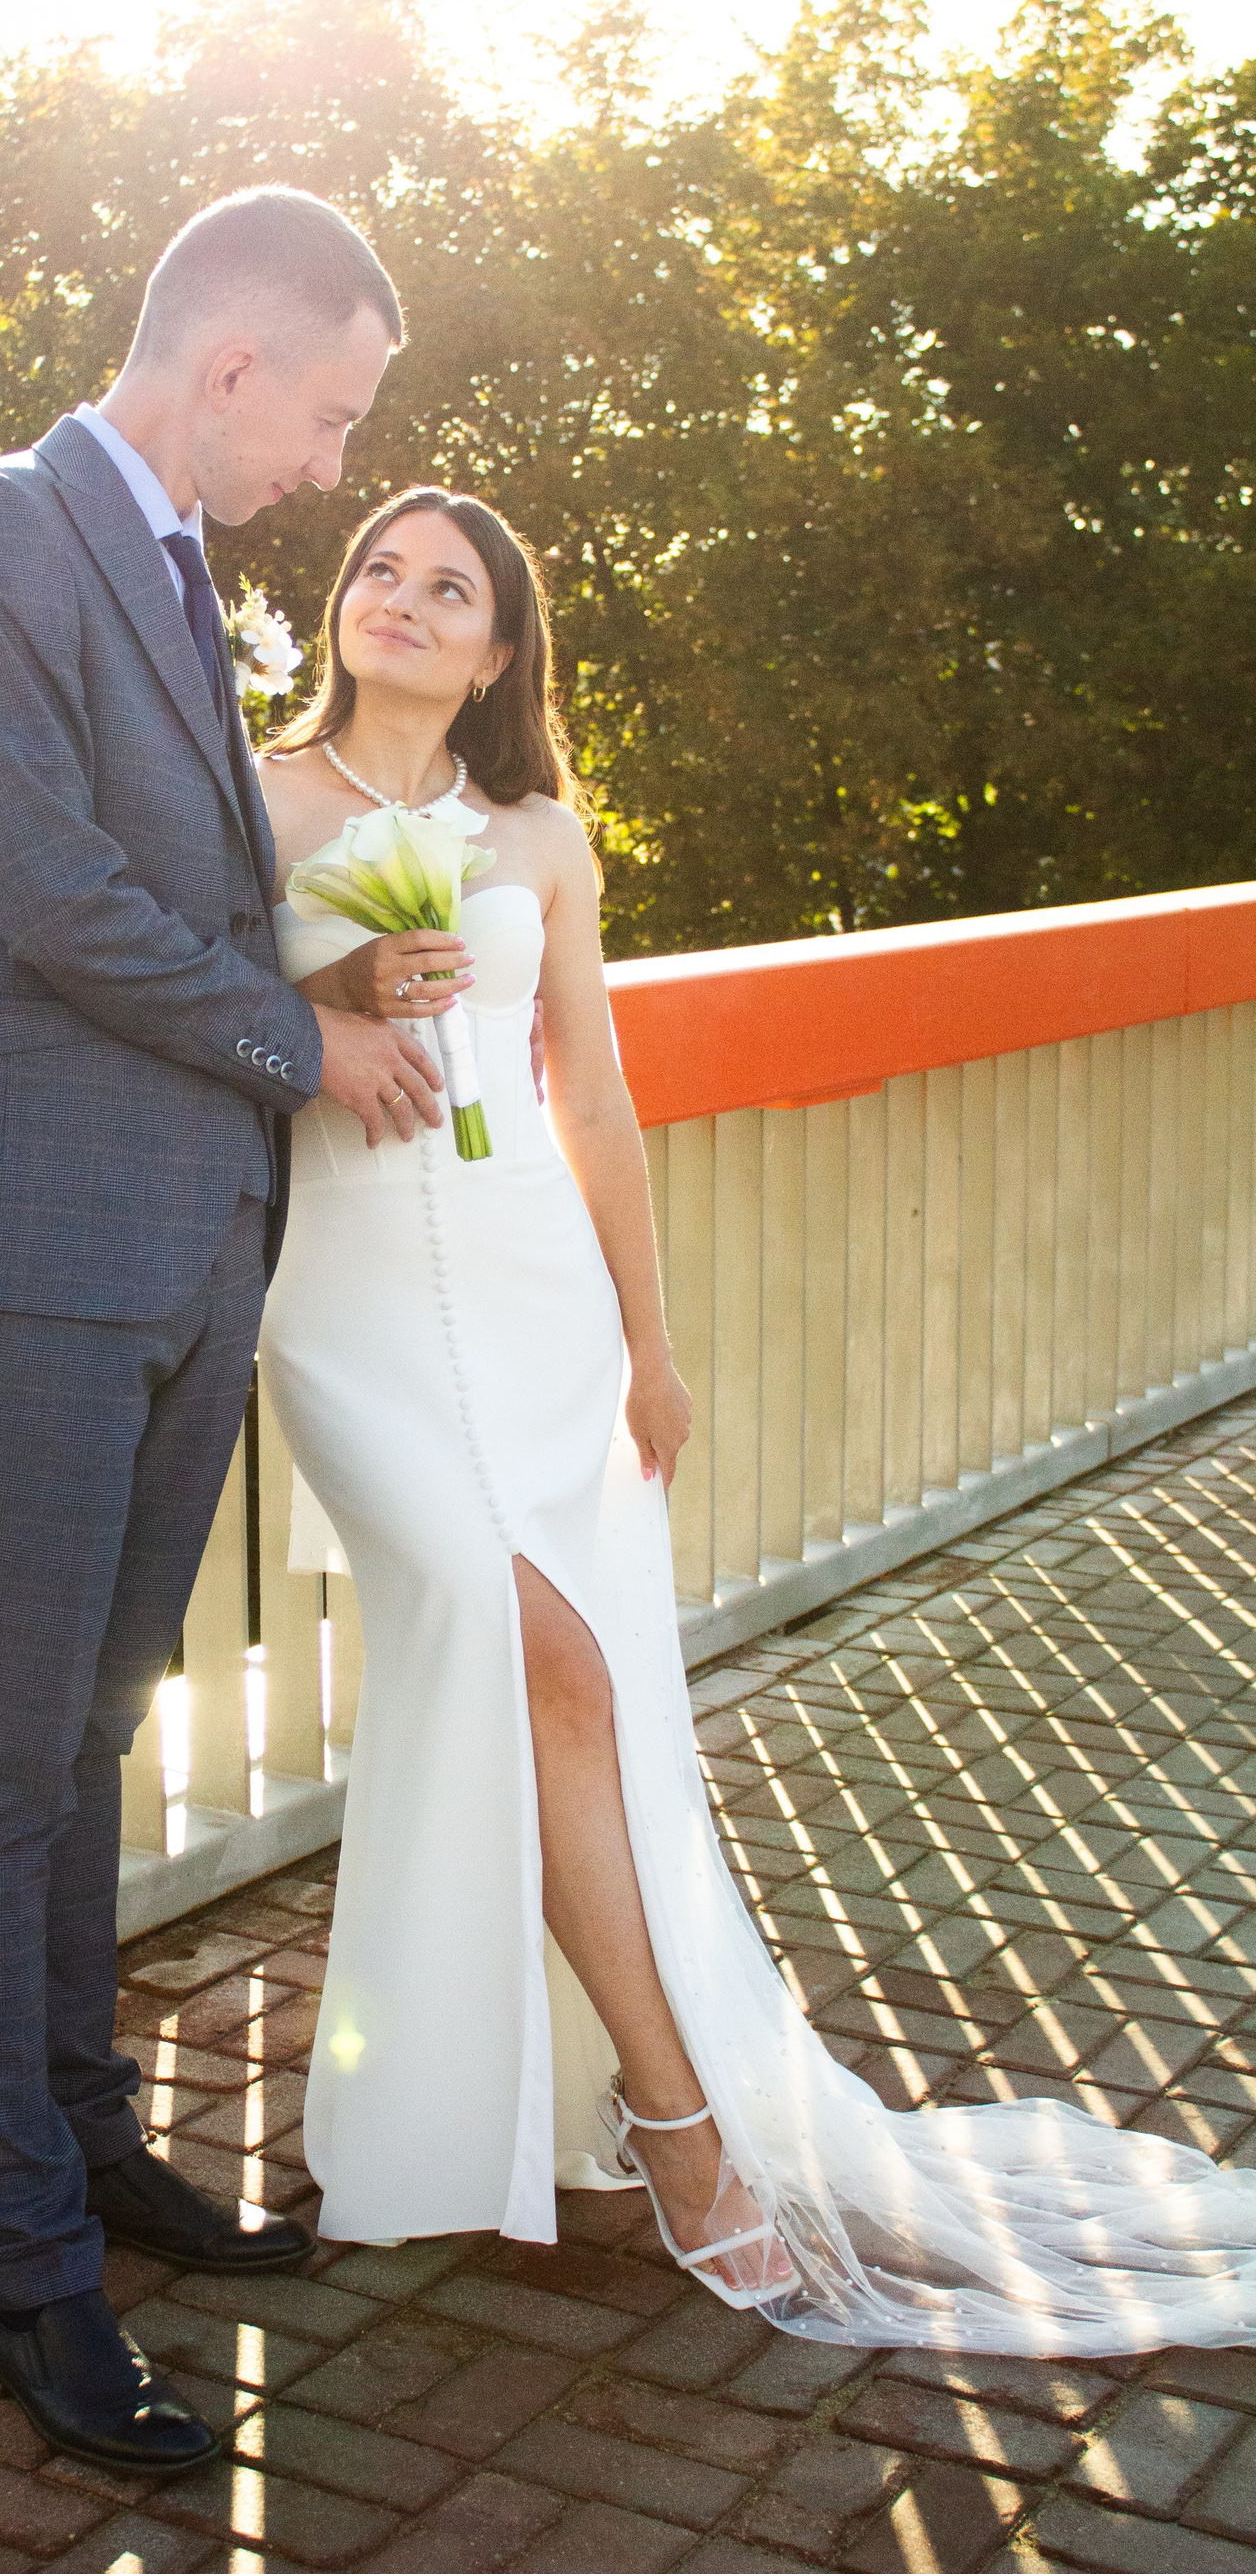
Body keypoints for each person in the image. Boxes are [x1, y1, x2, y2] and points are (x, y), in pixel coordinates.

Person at [255, 483, 1256, 2352]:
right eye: (378, 569)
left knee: (569, 1692)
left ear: (496, 650)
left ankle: (600, 2102)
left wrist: (650, 1337)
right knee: (518, 1643)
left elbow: (591, 1096)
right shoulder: (253, 801)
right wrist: (321, 990)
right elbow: (188, 1009)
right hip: (352, 1312)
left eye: (448, 586)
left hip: (541, 1300)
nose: (400, 597)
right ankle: (678, 2127)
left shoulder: (540, 836)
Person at [0, 191, 448, 2473]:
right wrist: (305, 1044)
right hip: (31, 1237)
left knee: (94, 1730)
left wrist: (337, 979)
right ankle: (24, 2262)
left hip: (188, 1235)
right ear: (228, 365)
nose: (330, 462)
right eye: (331, 415)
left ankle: (87, 2143)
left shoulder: (185, 570)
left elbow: (183, 894)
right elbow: (52, 896)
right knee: (6, 1761)